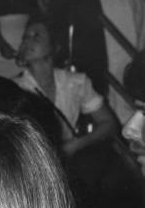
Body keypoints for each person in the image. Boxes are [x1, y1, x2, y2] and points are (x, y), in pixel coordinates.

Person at [14, 15, 118, 157]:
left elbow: (108, 124)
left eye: (36, 36)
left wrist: (77, 144)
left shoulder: (77, 82)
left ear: (54, 47)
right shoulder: (14, 88)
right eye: (25, 37)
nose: (28, 41)